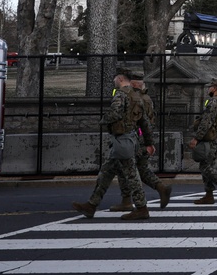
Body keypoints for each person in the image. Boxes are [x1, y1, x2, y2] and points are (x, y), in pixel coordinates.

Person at [72, 68, 151, 220]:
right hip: (129, 140)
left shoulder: (121, 95)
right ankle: (91, 205)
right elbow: (144, 121)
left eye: (115, 78)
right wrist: (149, 142)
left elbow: (115, 113)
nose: (114, 81)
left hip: (122, 140)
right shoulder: (136, 95)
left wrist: (103, 120)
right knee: (106, 173)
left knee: (131, 175)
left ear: (120, 79)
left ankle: (142, 208)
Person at [110, 70, 172, 211]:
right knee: (137, 170)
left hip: (136, 140)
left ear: (133, 83)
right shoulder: (146, 98)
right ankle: (159, 189)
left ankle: (132, 201)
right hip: (141, 139)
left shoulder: (138, 98)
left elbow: (141, 122)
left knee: (129, 170)